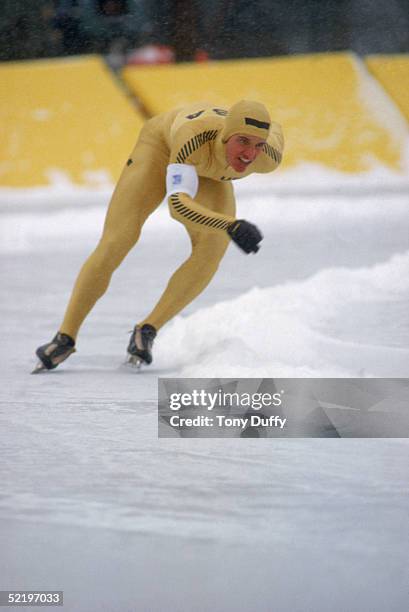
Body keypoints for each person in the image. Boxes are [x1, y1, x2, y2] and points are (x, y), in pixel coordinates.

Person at [33, 100, 284, 372]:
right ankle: (65, 337)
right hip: (162, 148)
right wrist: (230, 224)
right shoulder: (194, 138)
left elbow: (272, 132)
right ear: (226, 135)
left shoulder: (268, 157)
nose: (249, 154)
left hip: (211, 170)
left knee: (212, 249)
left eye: (257, 145)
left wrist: (227, 227)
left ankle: (147, 330)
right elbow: (178, 205)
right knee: (119, 239)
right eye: (243, 141)